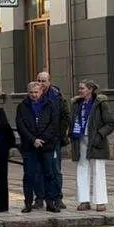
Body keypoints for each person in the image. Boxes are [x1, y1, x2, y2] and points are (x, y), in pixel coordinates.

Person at [16, 81, 61, 213]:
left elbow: (54, 124)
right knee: (29, 175)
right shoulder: (22, 106)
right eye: (31, 92)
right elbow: (21, 125)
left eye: (36, 92)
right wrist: (33, 139)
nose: (34, 95)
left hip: (46, 145)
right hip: (30, 146)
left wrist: (43, 139)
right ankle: (28, 203)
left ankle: (50, 202)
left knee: (49, 174)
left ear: (41, 92)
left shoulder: (50, 105)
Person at [70, 79, 114, 211]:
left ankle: (100, 201)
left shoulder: (100, 103)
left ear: (90, 89)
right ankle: (84, 200)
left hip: (96, 141)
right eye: (79, 88)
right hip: (80, 139)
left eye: (82, 88)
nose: (79, 91)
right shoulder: (77, 104)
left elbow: (110, 123)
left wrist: (100, 135)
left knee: (98, 170)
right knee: (82, 169)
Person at [37, 71, 71, 210]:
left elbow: (65, 117)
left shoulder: (58, 97)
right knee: (38, 170)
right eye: (39, 80)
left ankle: (57, 198)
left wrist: (59, 135)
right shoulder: (35, 95)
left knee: (55, 169)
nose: (41, 84)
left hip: (54, 140)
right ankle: (39, 198)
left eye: (43, 81)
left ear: (49, 81)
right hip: (38, 140)